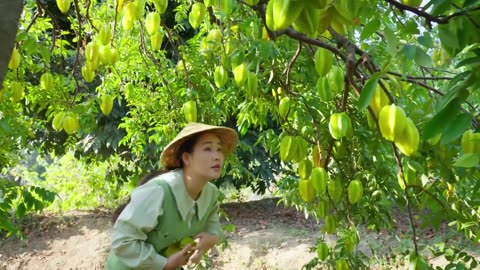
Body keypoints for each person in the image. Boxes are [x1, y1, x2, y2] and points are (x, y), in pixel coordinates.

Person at [104, 122, 239, 270]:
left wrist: (211, 239)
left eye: (219, 149)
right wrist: (164, 264)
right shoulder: (158, 191)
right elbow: (123, 242)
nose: (217, 156)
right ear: (187, 158)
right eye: (207, 149)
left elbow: (212, 227)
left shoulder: (211, 194)